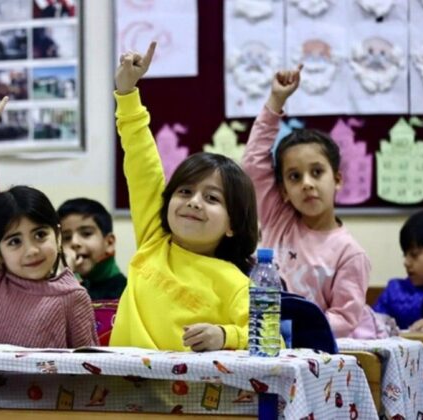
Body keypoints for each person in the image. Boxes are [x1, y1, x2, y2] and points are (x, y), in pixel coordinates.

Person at [109, 43, 258, 352]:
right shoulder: (154, 239)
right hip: (117, 392)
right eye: (185, 191)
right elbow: (142, 162)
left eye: (212, 199)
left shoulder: (235, 283)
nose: (194, 202)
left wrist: (225, 335)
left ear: (233, 225)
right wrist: (127, 94)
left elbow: (274, 341)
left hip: (181, 399)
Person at [241, 66, 384, 339]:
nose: (307, 183)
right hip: (266, 343)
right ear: (283, 191)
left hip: (316, 355)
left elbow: (344, 317)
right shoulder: (276, 218)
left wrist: (291, 330)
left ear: (338, 179)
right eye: (295, 177)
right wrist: (275, 102)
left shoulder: (350, 254)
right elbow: (252, 163)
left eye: (317, 172)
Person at [0, 97, 98, 348]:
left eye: (40, 235)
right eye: (14, 241)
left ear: (58, 236)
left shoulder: (73, 297)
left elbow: (88, 373)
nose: (31, 250)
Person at [58, 198, 126, 300]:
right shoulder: (64, 285)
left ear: (109, 243)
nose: (74, 242)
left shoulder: (127, 292)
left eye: (86, 233)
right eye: (66, 237)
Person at [373, 209, 423, 332]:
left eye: (414, 255)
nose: (406, 262)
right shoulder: (394, 292)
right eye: (405, 255)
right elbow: (373, 324)